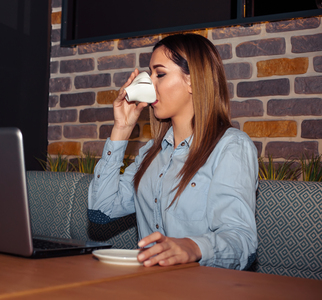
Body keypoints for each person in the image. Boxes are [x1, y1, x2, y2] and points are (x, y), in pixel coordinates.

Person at [88, 33, 258, 270]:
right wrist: (121, 129)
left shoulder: (231, 147)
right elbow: (100, 211)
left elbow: (242, 242)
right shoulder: (151, 152)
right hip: (148, 284)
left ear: (192, 80)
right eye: (149, 75)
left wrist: (192, 247)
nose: (149, 84)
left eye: (160, 74)